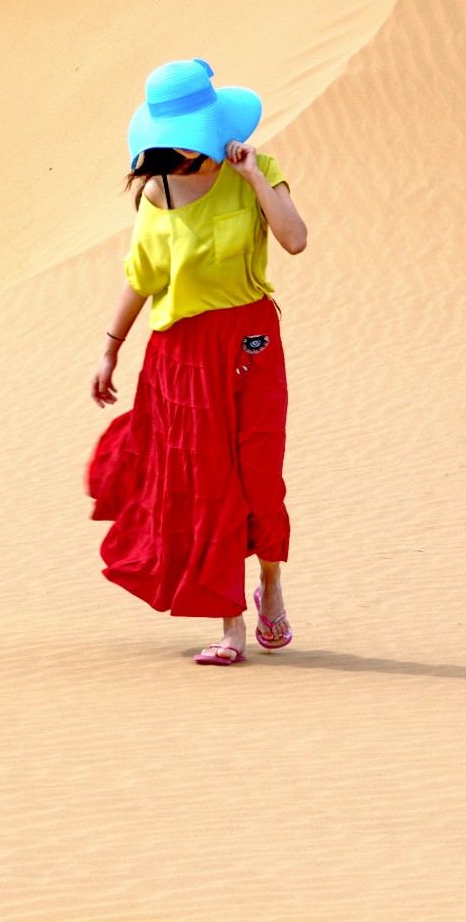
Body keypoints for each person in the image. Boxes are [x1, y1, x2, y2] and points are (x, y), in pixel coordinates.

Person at [85, 58, 309, 666]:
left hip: (250, 340)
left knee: (258, 473)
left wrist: (256, 179)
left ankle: (272, 588)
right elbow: (142, 278)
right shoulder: (155, 195)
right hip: (182, 356)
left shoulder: (257, 169)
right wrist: (110, 347)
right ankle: (230, 625)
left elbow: (295, 238)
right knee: (207, 485)